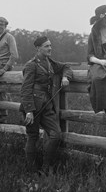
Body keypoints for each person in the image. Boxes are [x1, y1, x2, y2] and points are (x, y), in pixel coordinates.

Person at [19, 36, 73, 174]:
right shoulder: (31, 65)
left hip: (47, 105)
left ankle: (45, 168)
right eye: (46, 46)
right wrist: (29, 111)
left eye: (50, 45)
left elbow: (66, 66)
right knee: (33, 136)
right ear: (38, 48)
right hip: (33, 106)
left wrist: (66, 77)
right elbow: (26, 89)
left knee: (56, 135)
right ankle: (32, 170)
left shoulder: (50, 62)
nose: (50, 48)